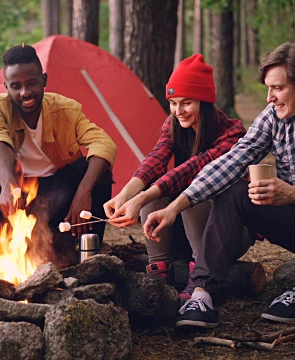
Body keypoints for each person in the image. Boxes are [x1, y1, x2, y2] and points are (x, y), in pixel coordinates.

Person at [144, 41, 295, 328]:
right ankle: (202, 292)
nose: (270, 98)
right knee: (235, 190)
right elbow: (231, 162)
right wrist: (175, 207)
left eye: (278, 88)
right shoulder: (276, 117)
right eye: (267, 89)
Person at [102, 54, 246, 300]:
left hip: (226, 233)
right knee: (156, 199)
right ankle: (159, 275)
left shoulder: (233, 134)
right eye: (173, 102)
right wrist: (125, 196)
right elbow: (156, 159)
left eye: (187, 103)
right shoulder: (174, 124)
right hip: (180, 229)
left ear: (205, 101)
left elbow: (193, 169)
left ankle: (201, 277)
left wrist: (141, 196)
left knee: (193, 199)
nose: (178, 111)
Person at [0, 44, 117, 268]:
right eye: (16, 86)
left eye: (31, 83)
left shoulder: (66, 110)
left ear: (44, 79)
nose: (25, 93)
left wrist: (83, 192)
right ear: (6, 87)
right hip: (8, 199)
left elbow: (104, 143)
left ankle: (90, 255)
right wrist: (8, 185)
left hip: (54, 198)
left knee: (99, 171)